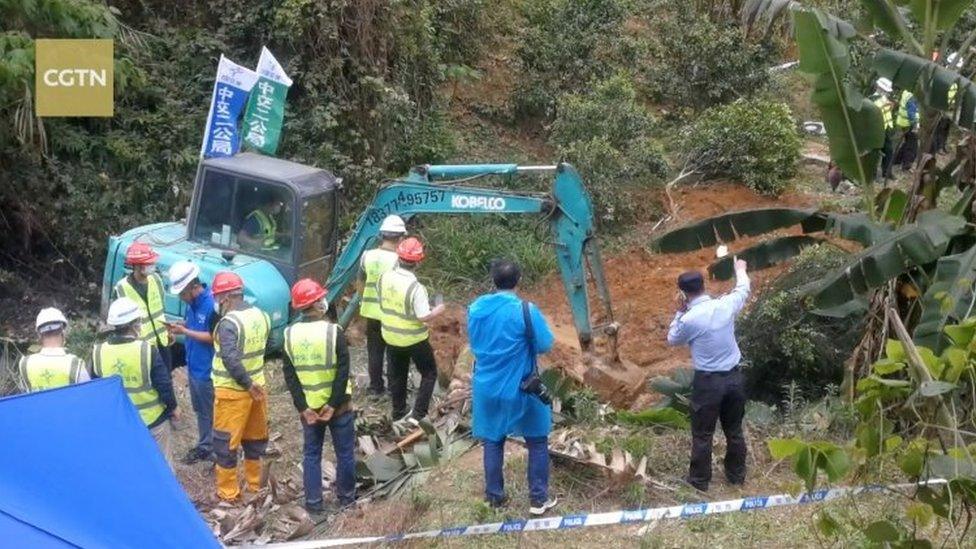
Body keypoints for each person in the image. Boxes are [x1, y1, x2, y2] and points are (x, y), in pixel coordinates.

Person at [468, 260, 558, 516]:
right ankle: (538, 500)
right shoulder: (525, 310)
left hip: (486, 386)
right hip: (522, 386)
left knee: (493, 440)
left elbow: (475, 340)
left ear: (493, 280)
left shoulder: (475, 309)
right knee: (538, 441)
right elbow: (544, 345)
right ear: (519, 280)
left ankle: (495, 497)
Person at [666, 259, 750, 492]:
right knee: (734, 430)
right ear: (703, 286)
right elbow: (743, 289)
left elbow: (672, 339)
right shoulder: (726, 305)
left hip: (708, 383)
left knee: (703, 434)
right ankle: (736, 477)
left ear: (682, 293)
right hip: (734, 378)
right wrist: (740, 270)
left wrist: (679, 311)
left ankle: (700, 482)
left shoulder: (689, 320)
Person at [282, 279, 356, 514]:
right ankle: (347, 499)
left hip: (310, 411)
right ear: (316, 303)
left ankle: (313, 505)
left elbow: (290, 376)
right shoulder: (334, 331)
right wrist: (333, 405)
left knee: (311, 455)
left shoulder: (289, 334)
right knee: (344, 452)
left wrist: (302, 407)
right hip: (339, 407)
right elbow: (343, 371)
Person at [92, 297, 178, 461]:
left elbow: (96, 388)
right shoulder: (146, 350)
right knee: (161, 468)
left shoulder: (98, 352)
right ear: (134, 324)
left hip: (118, 420)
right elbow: (163, 385)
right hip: (152, 421)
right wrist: (173, 407)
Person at [210, 271, 271, 501]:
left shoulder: (229, 323)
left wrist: (245, 383)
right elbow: (271, 343)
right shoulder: (261, 316)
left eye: (218, 299)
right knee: (255, 441)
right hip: (258, 389)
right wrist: (252, 383)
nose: (217, 304)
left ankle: (228, 493)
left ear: (225, 298)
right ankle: (256, 487)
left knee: (225, 445)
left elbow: (230, 358)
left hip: (232, 393)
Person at [377, 237, 445, 430]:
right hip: (414, 339)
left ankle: (398, 411)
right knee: (429, 373)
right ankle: (418, 414)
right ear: (418, 262)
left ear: (399, 257)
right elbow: (423, 316)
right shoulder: (416, 288)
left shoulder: (384, 278)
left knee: (397, 374)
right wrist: (438, 309)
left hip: (390, 335)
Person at [166, 260, 217, 464]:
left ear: (193, 288)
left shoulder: (212, 305)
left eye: (182, 294)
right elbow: (197, 325)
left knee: (210, 410)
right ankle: (206, 445)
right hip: (194, 367)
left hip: (207, 369)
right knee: (201, 410)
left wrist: (185, 331)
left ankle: (215, 448)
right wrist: (183, 325)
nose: (181, 298)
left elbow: (214, 336)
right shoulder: (193, 304)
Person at [357, 214, 407, 396]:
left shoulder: (367, 256)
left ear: (382, 235)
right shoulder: (398, 260)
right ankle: (394, 389)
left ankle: (375, 388)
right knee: (393, 353)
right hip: (391, 314)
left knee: (374, 352)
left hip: (371, 312)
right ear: (401, 238)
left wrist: (366, 299)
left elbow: (360, 283)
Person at [113, 241, 173, 369]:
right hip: (141, 346)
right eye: (149, 263)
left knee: (165, 378)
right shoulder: (122, 288)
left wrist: (168, 331)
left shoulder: (156, 279)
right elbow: (120, 323)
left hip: (162, 342)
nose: (153, 265)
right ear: (138, 266)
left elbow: (161, 309)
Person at [18, 307, 89, 392]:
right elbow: (87, 395)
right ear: (63, 333)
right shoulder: (76, 364)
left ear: (39, 335)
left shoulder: (25, 364)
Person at [872, 78, 896, 182]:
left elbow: (886, 111)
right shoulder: (872, 99)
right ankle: (872, 174)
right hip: (876, 129)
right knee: (875, 152)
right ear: (879, 88)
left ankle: (887, 172)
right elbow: (873, 113)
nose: (885, 92)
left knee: (889, 150)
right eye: (884, 90)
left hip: (886, 128)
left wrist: (891, 106)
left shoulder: (884, 98)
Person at [893, 88, 919, 171]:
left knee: (907, 142)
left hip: (903, 123)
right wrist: (914, 125)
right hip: (909, 124)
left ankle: (897, 160)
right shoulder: (912, 97)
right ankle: (906, 164)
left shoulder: (906, 93)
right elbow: (911, 113)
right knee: (912, 145)